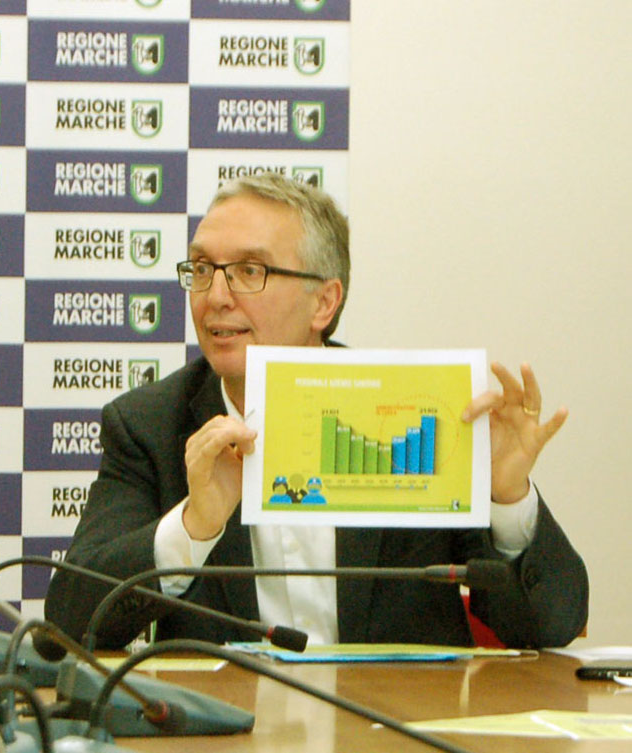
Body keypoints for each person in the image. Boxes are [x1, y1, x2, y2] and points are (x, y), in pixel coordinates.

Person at [45, 173, 588, 649]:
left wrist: (505, 498)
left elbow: (550, 625)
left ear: (324, 302)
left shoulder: (419, 412)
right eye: (204, 269)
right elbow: (71, 622)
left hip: (395, 719)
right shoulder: (149, 425)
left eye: (250, 271)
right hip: (237, 721)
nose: (216, 296)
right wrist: (194, 526)